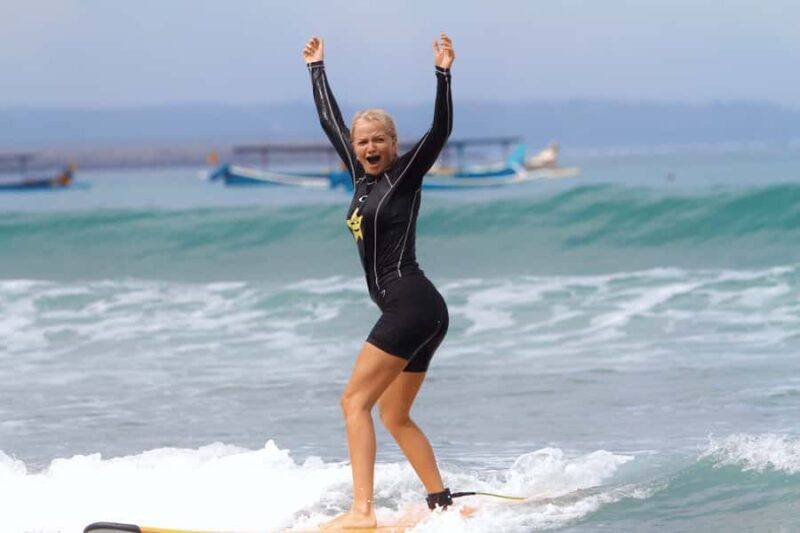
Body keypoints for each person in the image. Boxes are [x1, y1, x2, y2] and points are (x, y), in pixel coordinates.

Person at [303, 33, 455, 530]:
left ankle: (362, 513)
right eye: (362, 140)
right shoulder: (359, 177)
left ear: (393, 146)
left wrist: (442, 73)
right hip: (423, 311)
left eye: (379, 140)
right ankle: (442, 505)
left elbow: (439, 130)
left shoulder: (405, 175)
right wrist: (317, 69)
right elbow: (329, 120)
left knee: (354, 402)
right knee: (393, 414)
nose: (370, 147)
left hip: (409, 304)